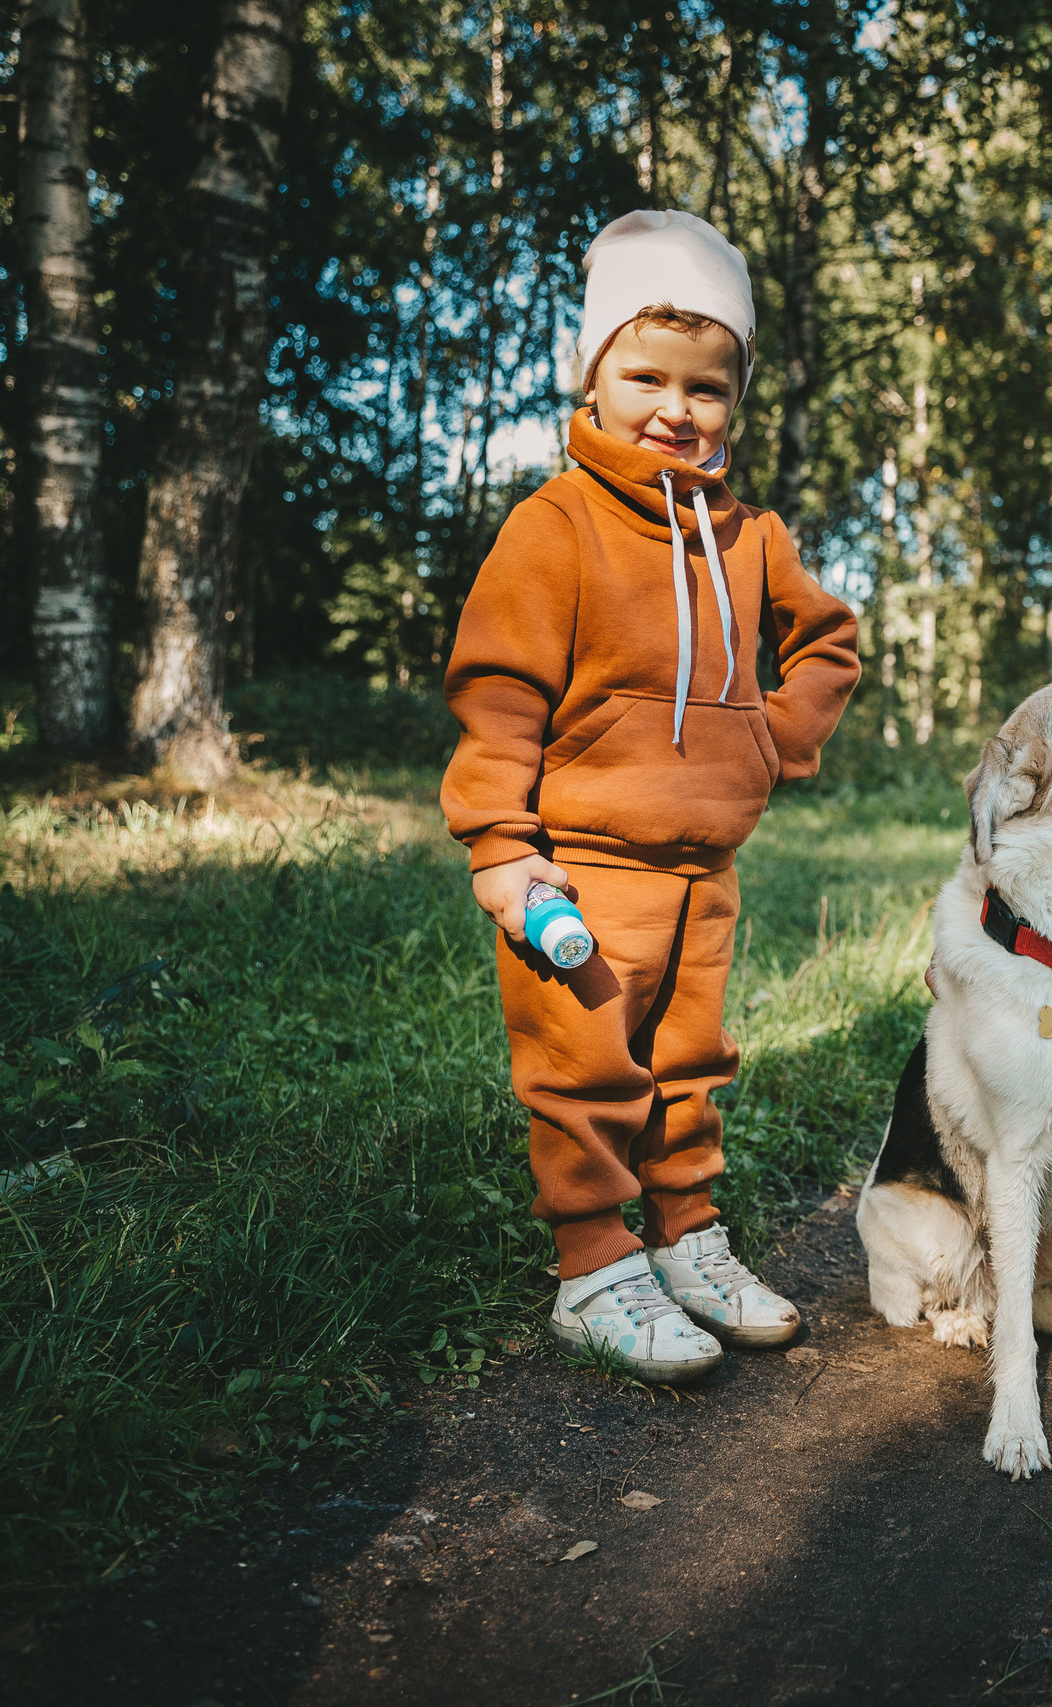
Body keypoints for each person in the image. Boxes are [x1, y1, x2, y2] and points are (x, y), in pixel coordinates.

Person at [441, 210, 860, 1384]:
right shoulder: (554, 528)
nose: (676, 407)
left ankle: (686, 1242)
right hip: (577, 867)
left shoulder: (749, 535)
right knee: (585, 1073)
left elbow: (829, 644)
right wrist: (500, 845)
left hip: (704, 873)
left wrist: (770, 741)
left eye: (707, 386)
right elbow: (500, 695)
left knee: (690, 1063)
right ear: (592, 376)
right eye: (644, 377)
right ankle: (592, 1270)